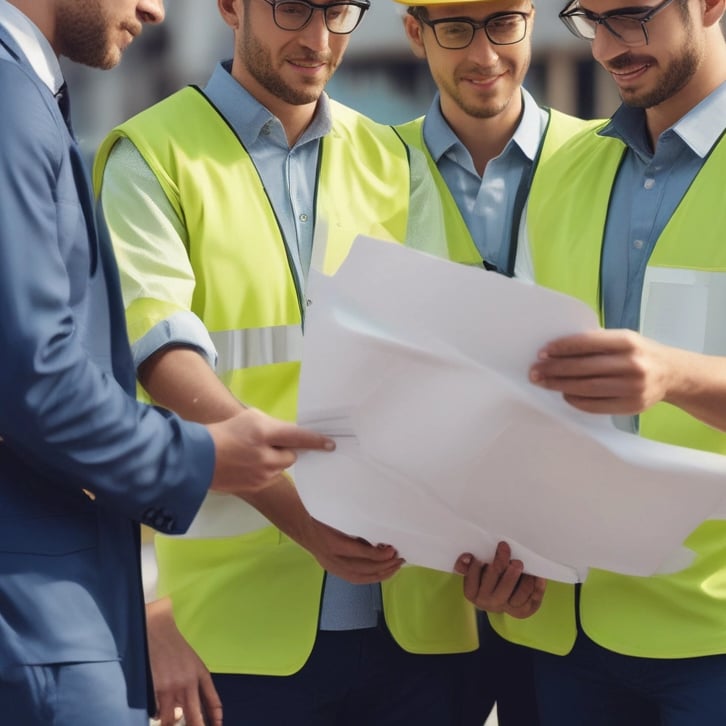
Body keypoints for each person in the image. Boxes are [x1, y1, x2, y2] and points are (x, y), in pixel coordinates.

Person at [94, 0, 546, 723]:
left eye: (337, 12)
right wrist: (299, 518)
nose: (317, 38)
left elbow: (457, 360)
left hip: (418, 624)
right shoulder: (152, 155)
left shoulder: (396, 159)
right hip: (241, 633)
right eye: (293, 9)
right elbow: (159, 355)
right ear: (231, 8)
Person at [0, 1, 335, 724]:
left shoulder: (25, 95)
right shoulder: (11, 103)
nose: (154, 10)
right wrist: (204, 458)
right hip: (42, 621)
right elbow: (35, 375)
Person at [488, 0, 726, 723]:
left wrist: (676, 377)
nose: (606, 48)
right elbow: (523, 401)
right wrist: (497, 546)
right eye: (591, 20)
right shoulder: (564, 175)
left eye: (630, 13)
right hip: (572, 632)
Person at [393, 0, 593, 722]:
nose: (484, 54)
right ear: (414, 33)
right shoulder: (370, 168)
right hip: (417, 590)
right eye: (454, 28)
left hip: (579, 592)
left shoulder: (603, 160)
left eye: (504, 23)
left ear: (533, 20)